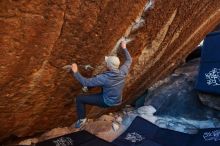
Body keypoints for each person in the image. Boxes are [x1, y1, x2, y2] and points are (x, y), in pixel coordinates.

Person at [71, 40, 132, 128]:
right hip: (117, 99)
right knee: (98, 79)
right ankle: (88, 88)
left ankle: (82, 120)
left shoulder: (105, 78)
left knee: (79, 99)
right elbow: (129, 60)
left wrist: (75, 72)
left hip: (107, 101)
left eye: (107, 62)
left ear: (109, 66)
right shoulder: (123, 71)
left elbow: (85, 81)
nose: (106, 63)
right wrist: (124, 48)